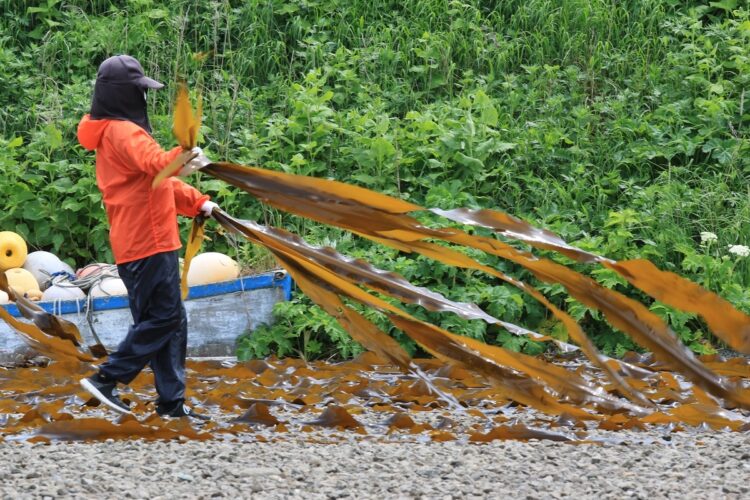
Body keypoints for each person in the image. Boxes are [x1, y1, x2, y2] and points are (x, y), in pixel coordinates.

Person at [77, 55, 214, 418]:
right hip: (148, 243)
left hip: (141, 244)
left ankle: (171, 404)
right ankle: (106, 378)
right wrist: (184, 155)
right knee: (166, 319)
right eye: (139, 92)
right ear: (123, 96)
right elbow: (158, 164)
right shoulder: (123, 132)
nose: (144, 98)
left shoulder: (111, 131)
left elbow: (159, 181)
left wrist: (198, 202)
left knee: (168, 323)